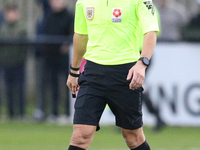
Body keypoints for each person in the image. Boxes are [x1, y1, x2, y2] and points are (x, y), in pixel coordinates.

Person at [66, 0, 159, 150]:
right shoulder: (83, 2)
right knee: (80, 135)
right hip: (92, 74)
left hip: (126, 74)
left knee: (133, 137)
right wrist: (74, 70)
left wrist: (142, 63)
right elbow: (81, 36)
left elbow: (151, 32)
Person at [34, 0, 74, 122]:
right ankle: (54, 112)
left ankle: (69, 113)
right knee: (52, 84)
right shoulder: (48, 16)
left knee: (69, 84)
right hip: (50, 56)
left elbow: (73, 34)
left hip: (65, 57)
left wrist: (67, 45)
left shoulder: (69, 16)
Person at [0, 3, 28, 119]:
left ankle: (21, 113)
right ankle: (10, 113)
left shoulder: (22, 28)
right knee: (8, 89)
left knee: (20, 89)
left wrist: (21, 59)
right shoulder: (3, 29)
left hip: (19, 64)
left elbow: (25, 48)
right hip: (6, 63)